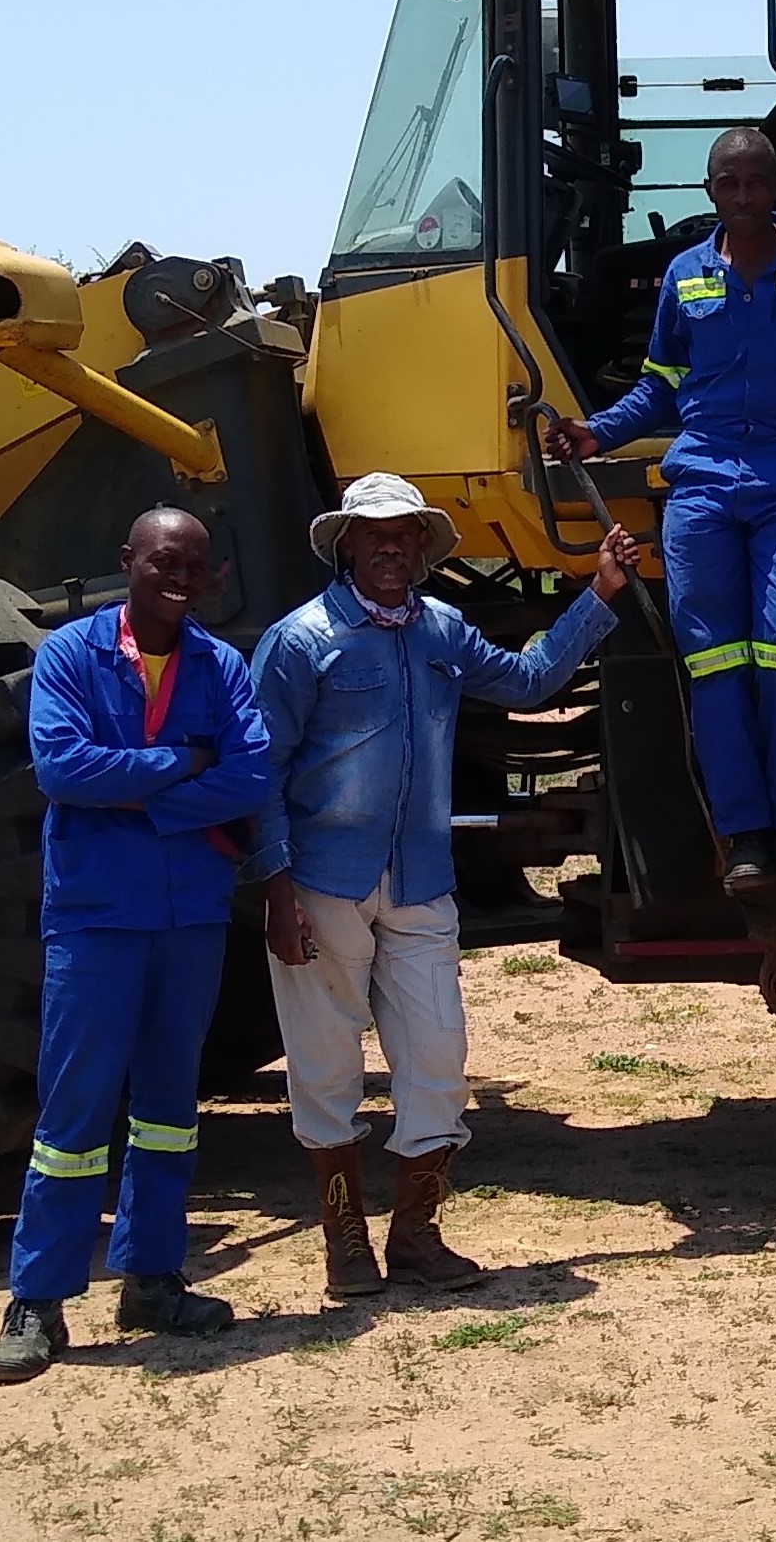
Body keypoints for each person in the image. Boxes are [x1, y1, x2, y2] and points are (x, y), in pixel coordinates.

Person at [249, 473, 640, 1299]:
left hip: (421, 878)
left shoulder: (443, 630)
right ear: (345, 544)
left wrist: (599, 591)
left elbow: (531, 680)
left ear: (424, 549)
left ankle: (417, 1236)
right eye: (375, 534)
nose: (392, 547)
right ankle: (345, 1242)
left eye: (406, 535)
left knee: (438, 1056)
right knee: (323, 1063)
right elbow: (261, 771)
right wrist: (275, 890)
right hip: (322, 881)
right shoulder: (300, 640)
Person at [548, 126, 776, 887]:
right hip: (700, 484)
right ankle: (743, 838)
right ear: (709, 192)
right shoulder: (686, 275)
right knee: (713, 662)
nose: (744, 198)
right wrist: (594, 432)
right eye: (729, 185)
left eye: (757, 183)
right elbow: (658, 389)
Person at [0, 507, 271, 1384]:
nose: (176, 576)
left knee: (170, 1113)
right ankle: (36, 1300)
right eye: (160, 560)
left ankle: (152, 1278)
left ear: (209, 574)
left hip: (188, 919)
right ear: (127, 561)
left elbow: (253, 774)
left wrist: (136, 791)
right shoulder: (69, 654)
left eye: (192, 563)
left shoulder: (220, 666)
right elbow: (62, 768)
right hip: (98, 918)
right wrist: (181, 769)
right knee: (72, 1117)